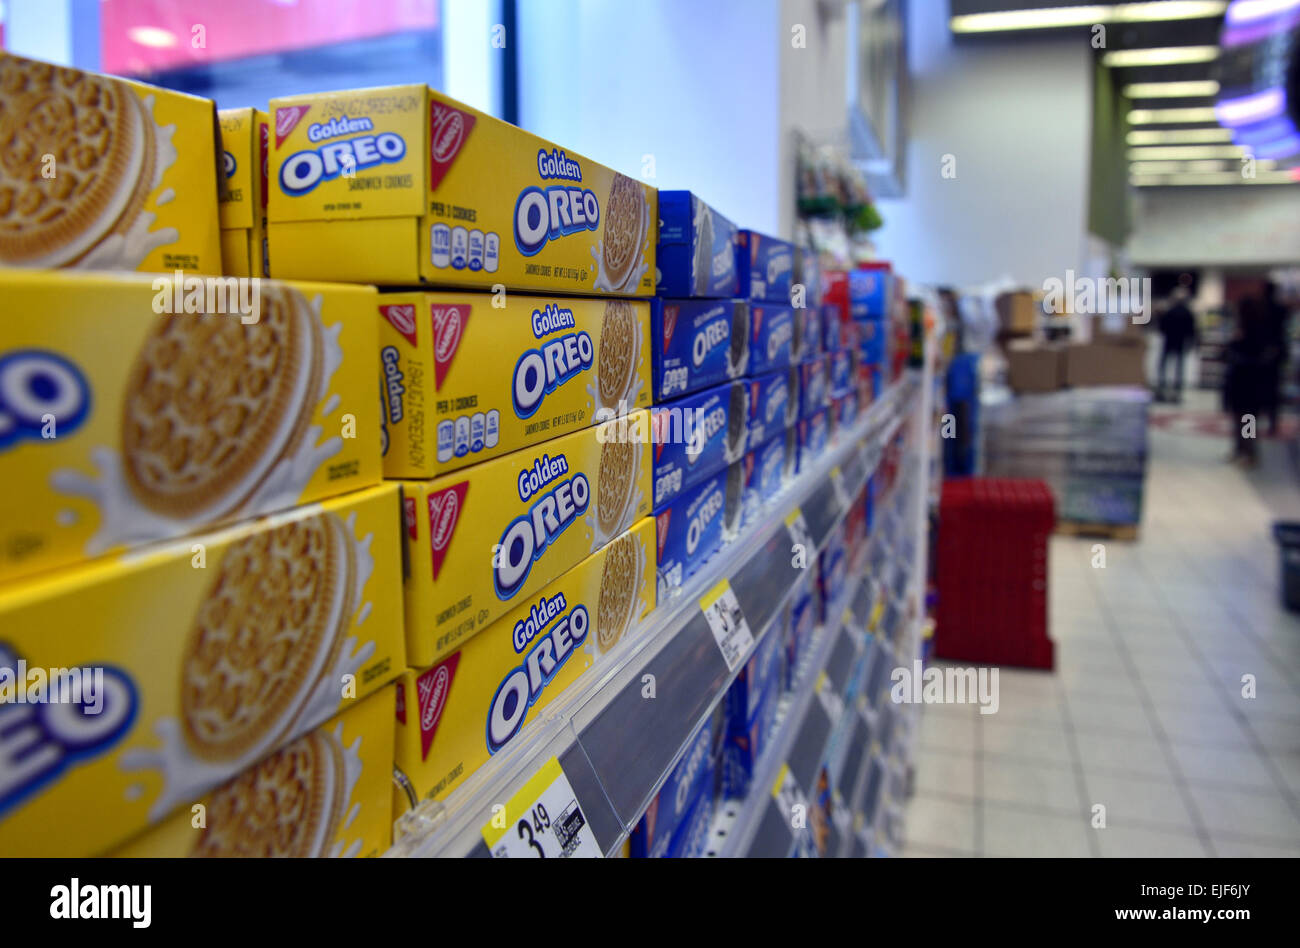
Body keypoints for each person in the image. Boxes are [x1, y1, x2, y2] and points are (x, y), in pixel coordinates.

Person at [1223, 298, 1269, 467]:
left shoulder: (1256, 332)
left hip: (1249, 383)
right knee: (1239, 419)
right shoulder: (1243, 330)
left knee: (1248, 420)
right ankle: (1240, 450)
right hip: (1242, 382)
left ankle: (1250, 453)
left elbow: (1256, 358)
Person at [1156, 288, 1197, 403]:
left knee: (1163, 366)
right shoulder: (1188, 313)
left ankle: (1161, 388)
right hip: (1180, 342)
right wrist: (1191, 343)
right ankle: (1176, 392)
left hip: (1168, 342)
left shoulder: (1169, 312)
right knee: (1179, 368)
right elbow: (1191, 330)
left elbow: (1162, 328)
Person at [1260, 281, 1290, 435]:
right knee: (1273, 391)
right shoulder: (1281, 310)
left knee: (1251, 400)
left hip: (1256, 359)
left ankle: (1249, 435)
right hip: (1276, 356)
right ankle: (1272, 425)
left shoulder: (1260, 310)